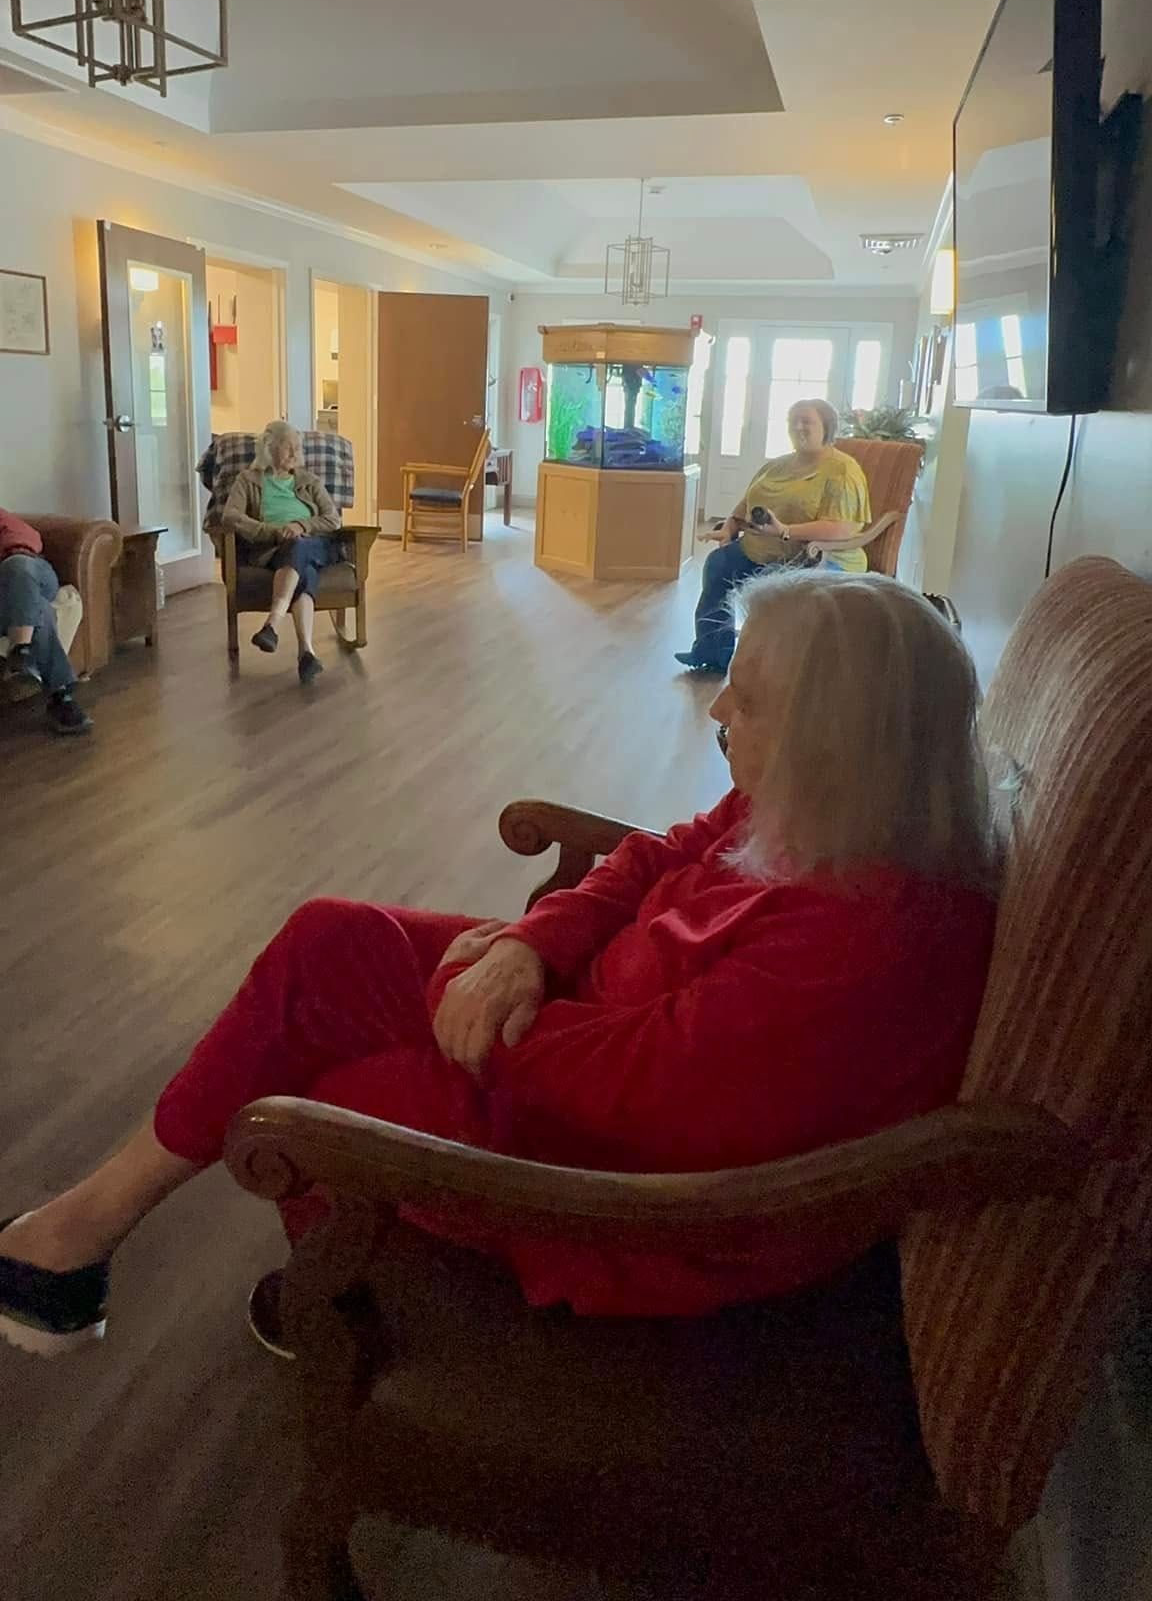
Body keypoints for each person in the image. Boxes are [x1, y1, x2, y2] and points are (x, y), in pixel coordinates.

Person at [0, 571, 997, 1354]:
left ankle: (344, 1303)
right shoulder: (826, 808)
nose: (718, 706)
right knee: (330, 935)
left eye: (753, 695)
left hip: (620, 1185)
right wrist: (529, 941)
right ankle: (84, 1227)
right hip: (570, 1028)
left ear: (839, 740)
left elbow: (636, 1097)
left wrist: (465, 977)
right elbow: (654, 854)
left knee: (317, 1093)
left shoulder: (864, 937)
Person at [675, 398, 870, 674]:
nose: (798, 427)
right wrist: (730, 527)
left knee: (772, 586)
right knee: (718, 564)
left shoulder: (844, 471)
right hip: (759, 549)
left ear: (827, 427)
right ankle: (712, 652)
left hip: (816, 559)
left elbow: (843, 528)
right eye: (793, 421)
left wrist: (786, 531)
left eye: (807, 421)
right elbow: (746, 505)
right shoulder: (776, 466)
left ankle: (771, 670)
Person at [223, 421, 342, 682]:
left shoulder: (309, 481)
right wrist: (271, 531)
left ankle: (273, 624)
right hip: (275, 549)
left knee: (299, 546)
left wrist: (302, 524)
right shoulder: (248, 480)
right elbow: (230, 517)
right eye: (288, 447)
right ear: (269, 449)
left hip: (316, 544)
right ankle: (306, 654)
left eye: (298, 448)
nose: (295, 454)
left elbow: (333, 519)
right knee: (304, 574)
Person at [0, 510, 92, 736]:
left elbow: (25, 537)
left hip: (29, 571)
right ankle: (61, 694)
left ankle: (20, 653)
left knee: (18, 569)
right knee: (39, 608)